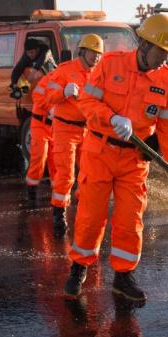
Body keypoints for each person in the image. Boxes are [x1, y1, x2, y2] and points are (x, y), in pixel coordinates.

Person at [62, 14, 168, 302]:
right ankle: (79, 268)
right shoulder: (110, 64)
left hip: (135, 159)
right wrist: (111, 118)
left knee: (130, 219)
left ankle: (123, 277)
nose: (163, 60)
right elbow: (86, 101)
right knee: (91, 216)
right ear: (145, 45)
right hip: (99, 151)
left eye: (167, 55)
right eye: (160, 52)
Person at [46, 34, 104, 233]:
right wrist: (64, 92)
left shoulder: (97, 73)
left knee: (88, 174)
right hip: (65, 129)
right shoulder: (65, 71)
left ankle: (82, 210)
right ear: (83, 51)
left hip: (88, 129)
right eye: (93, 53)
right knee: (66, 174)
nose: (96, 58)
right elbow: (48, 97)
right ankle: (59, 213)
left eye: (99, 54)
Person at [24, 71, 57, 201]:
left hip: (55, 126)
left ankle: (58, 192)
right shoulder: (49, 78)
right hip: (40, 123)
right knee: (39, 156)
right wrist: (49, 108)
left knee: (56, 160)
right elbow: (36, 95)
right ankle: (32, 189)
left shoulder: (71, 80)